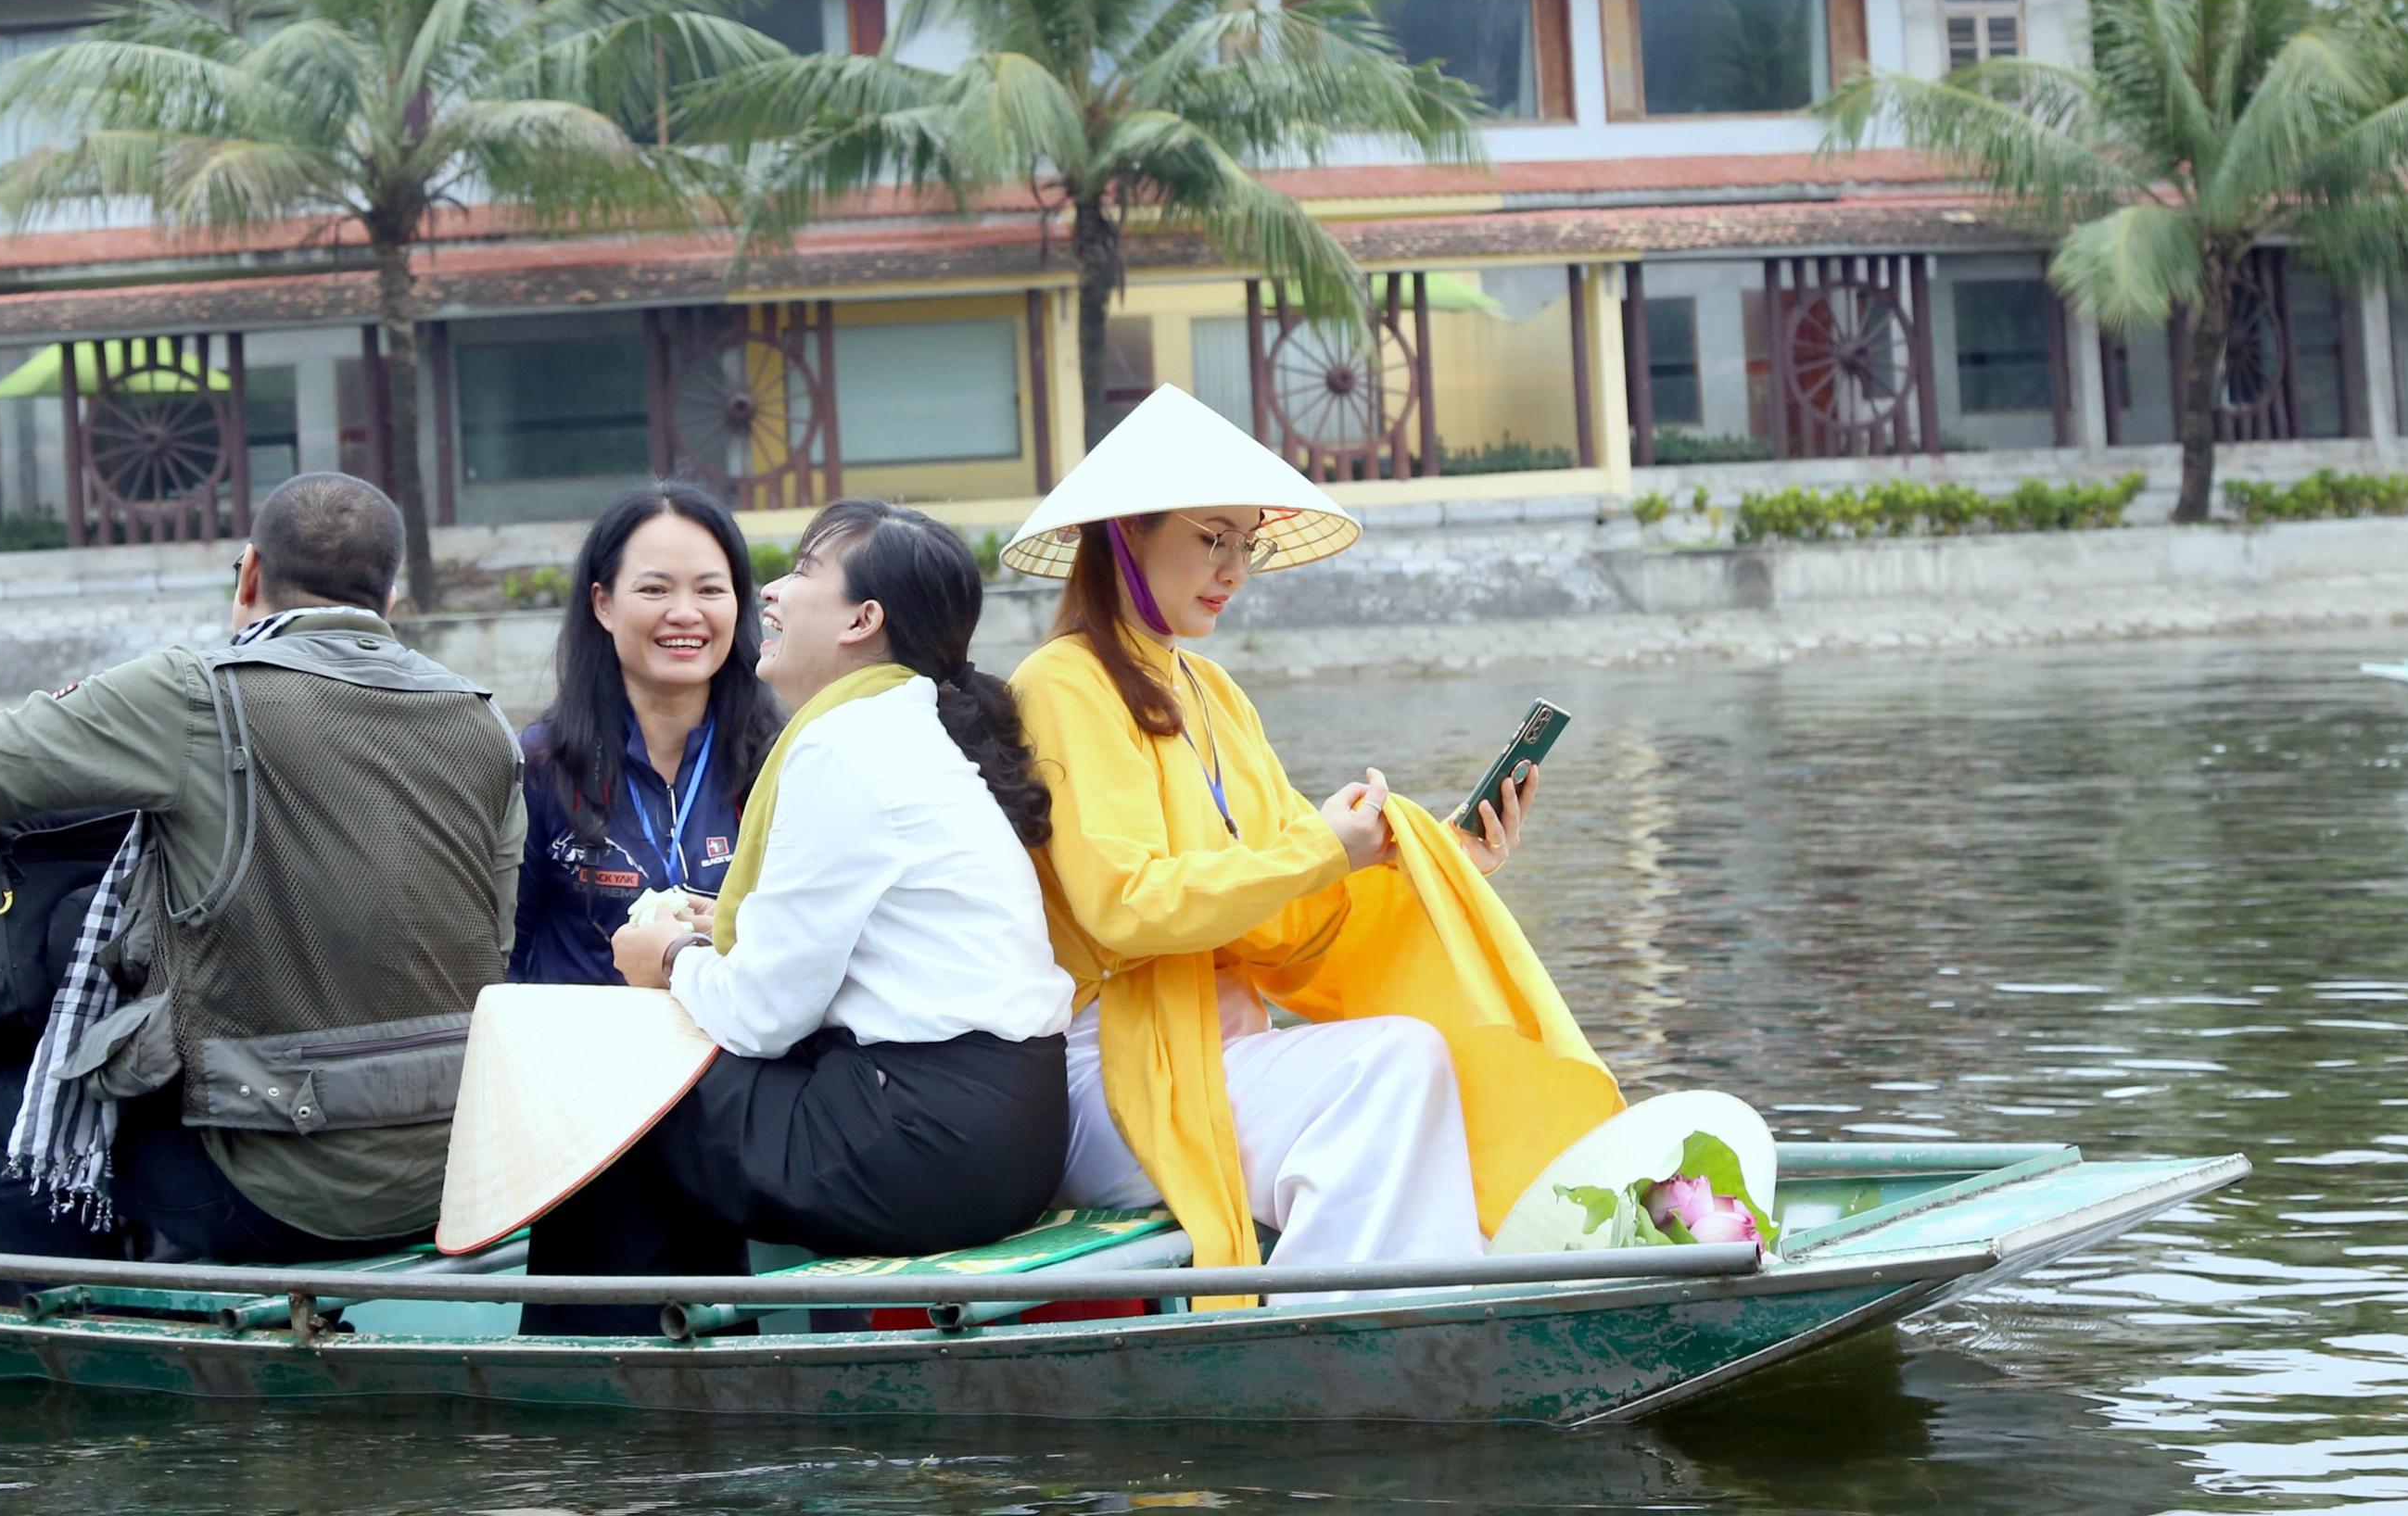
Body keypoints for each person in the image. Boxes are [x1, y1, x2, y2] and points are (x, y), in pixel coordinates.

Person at [998, 386, 1621, 1294]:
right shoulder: (1064, 683)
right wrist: (1324, 847)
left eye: (1245, 542)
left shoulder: (1211, 690)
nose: (1234, 566)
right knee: (1391, 1060)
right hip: (1118, 1068)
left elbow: (1290, 911)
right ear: (1126, 532)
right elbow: (1124, 906)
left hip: (1221, 1051)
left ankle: (1407, 1301)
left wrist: (1441, 857)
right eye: (1213, 537)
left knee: (1417, 1050)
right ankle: (1337, 1322)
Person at [0, 472, 524, 1267]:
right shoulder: (483, 719)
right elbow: (499, 933)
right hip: (458, 1173)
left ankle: (75, 1337)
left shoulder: (195, 694)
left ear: (250, 573)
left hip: (275, 1192)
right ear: (388, 600)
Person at [526, 500, 1072, 1330]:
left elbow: (765, 1015)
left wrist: (667, 957)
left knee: (616, 1079)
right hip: (1005, 1132)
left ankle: (593, 1358)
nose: (769, 594)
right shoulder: (902, 728)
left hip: (923, 1143)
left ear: (863, 619)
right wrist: (710, 934)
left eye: (804, 572)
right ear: (602, 605)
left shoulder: (839, 748)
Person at [511, 484, 779, 985]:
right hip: (578, 1058)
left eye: (710, 590)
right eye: (655, 589)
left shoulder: (785, 762)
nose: (685, 612)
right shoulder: (541, 766)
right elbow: (503, 958)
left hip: (737, 1058)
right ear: (603, 604)